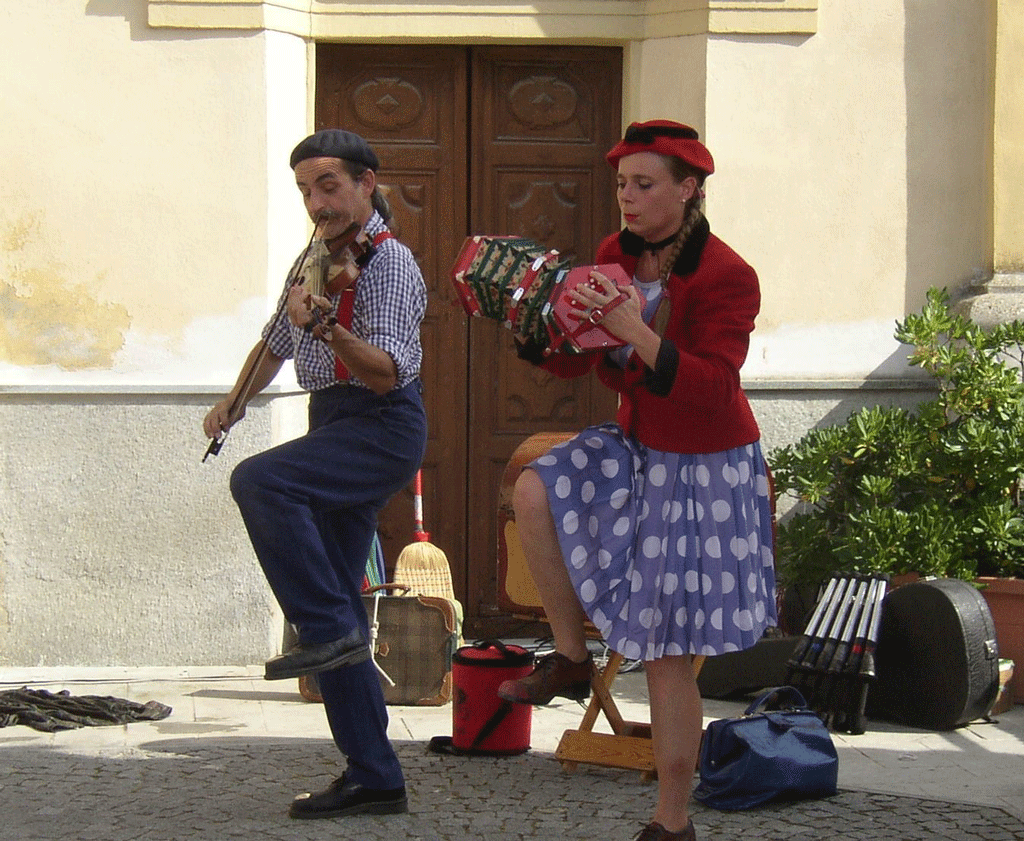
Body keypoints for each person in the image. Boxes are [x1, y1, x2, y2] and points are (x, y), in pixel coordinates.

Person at [497, 119, 777, 841]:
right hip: (640, 445)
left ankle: (671, 821)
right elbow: (582, 356)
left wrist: (637, 328)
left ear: (687, 190)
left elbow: (714, 387)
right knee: (533, 488)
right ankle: (569, 652)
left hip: (706, 469)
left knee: (666, 650)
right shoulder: (612, 258)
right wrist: (534, 325)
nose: (627, 196)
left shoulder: (728, 275)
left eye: (643, 184)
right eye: (622, 183)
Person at [202, 128, 427, 820]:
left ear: (365, 183)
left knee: (262, 482)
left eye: (328, 185)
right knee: (336, 596)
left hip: (381, 424)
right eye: (305, 189)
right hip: (331, 420)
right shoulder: (312, 259)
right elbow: (275, 340)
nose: (316, 202)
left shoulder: (390, 264)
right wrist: (234, 403)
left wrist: (328, 329)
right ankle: (374, 772)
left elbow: (387, 372)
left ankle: (320, 623)